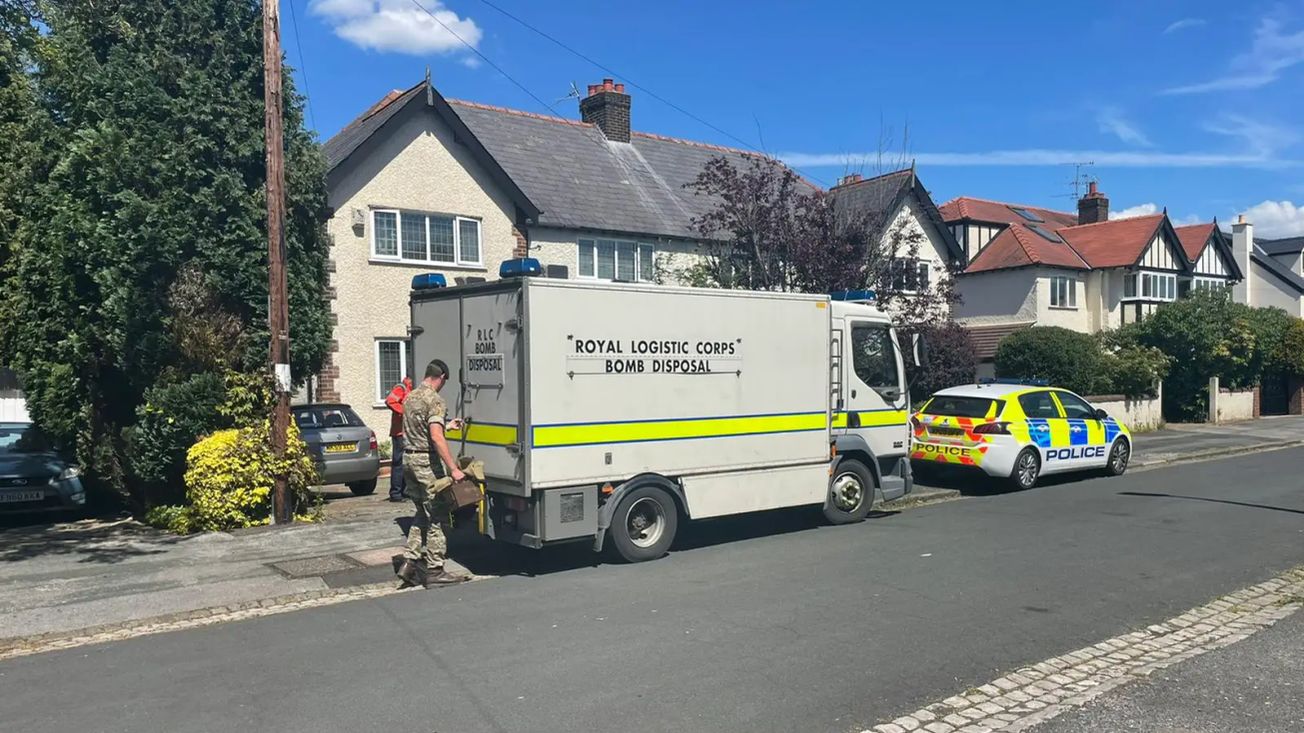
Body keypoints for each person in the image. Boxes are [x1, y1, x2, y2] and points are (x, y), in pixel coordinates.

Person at [395, 359, 469, 588]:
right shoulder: (435, 400)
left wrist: (447, 425)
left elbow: (421, 430)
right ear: (442, 377)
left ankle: (409, 563)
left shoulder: (411, 397)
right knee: (438, 514)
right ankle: (435, 570)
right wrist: (453, 469)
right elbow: (435, 437)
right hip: (426, 463)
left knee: (421, 513)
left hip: (408, 460)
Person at [383, 376, 414, 502]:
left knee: (405, 462)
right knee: (398, 463)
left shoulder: (410, 390)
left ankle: (404, 491)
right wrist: (405, 412)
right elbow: (390, 401)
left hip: (407, 432)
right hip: (399, 433)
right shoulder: (401, 388)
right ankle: (396, 493)